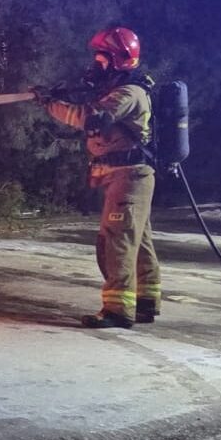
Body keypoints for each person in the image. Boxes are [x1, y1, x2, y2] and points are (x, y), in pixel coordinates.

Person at [36, 27, 161, 328]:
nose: (95, 64)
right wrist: (58, 95)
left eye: (101, 58)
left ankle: (117, 310)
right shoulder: (121, 90)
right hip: (128, 176)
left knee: (116, 240)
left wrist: (49, 104)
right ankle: (145, 300)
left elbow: (88, 117)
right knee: (137, 240)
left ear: (117, 60)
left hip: (128, 176)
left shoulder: (128, 93)